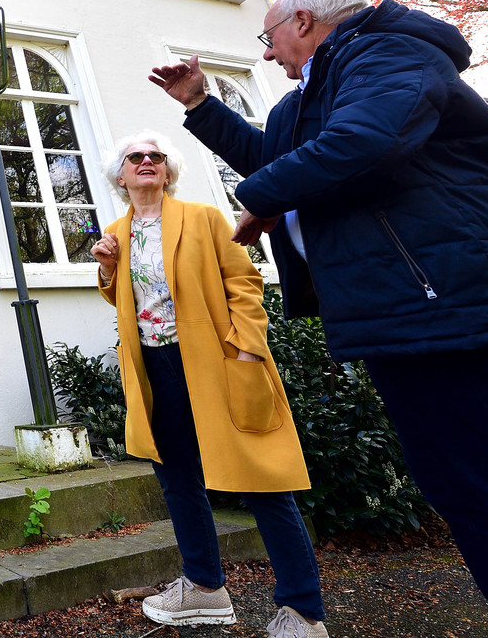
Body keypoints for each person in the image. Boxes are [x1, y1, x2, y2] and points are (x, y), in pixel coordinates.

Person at [150, 0, 488, 637]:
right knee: (463, 493)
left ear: (304, 20)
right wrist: (202, 106)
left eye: (270, 38)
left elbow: (365, 142)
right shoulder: (308, 99)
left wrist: (261, 197)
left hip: (461, 310)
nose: (267, 55)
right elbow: (276, 156)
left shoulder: (387, 53)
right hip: (403, 322)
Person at [91, 131, 329, 638]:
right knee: (177, 479)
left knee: (261, 477)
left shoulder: (203, 218)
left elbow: (244, 281)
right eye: (136, 157)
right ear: (121, 173)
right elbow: (129, 305)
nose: (147, 161)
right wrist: (109, 268)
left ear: (169, 170)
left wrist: (245, 347)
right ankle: (204, 588)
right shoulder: (117, 231)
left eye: (156, 156)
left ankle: (303, 612)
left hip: (218, 362)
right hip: (155, 369)